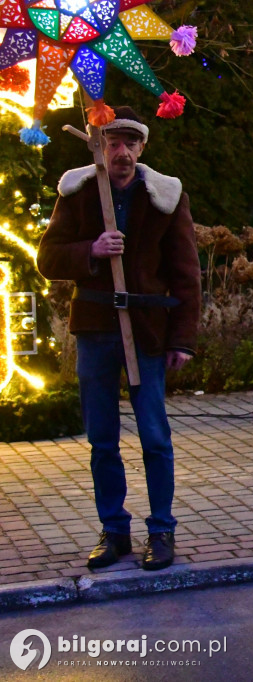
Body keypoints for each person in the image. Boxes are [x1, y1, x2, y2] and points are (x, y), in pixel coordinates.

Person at [37, 107, 201, 572]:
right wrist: (90, 250)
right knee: (102, 439)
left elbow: (187, 275)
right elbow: (47, 257)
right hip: (94, 329)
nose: (122, 152)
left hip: (146, 332)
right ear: (99, 145)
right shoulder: (79, 193)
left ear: (142, 147)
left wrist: (182, 340)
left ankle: (162, 531)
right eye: (113, 142)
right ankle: (114, 531)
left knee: (154, 437)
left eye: (131, 143)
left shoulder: (165, 197)